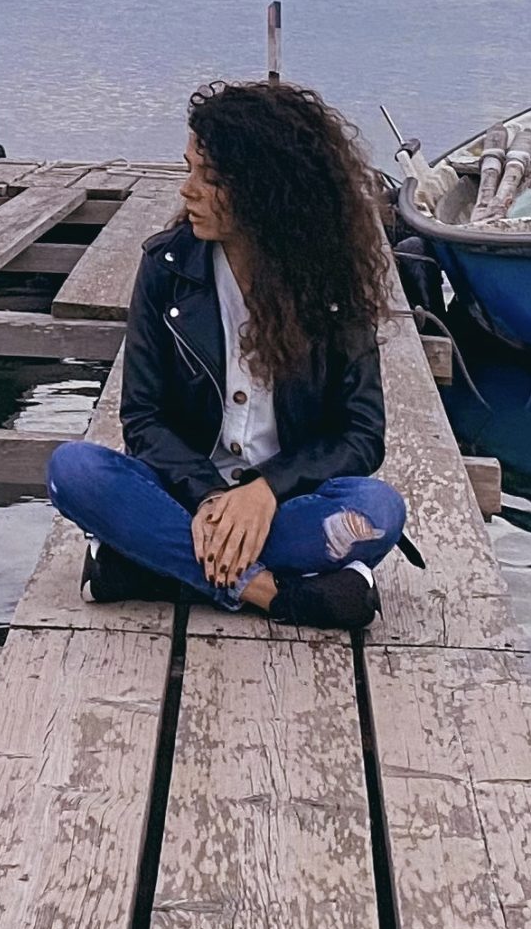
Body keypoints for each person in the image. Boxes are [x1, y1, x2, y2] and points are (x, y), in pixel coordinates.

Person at [46, 79, 409, 629]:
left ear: (267, 190)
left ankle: (143, 566)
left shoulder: (334, 284)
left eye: (209, 178)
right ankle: (275, 593)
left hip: (287, 503)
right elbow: (143, 419)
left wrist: (266, 491)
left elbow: (361, 435)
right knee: (73, 470)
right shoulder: (166, 270)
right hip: (187, 496)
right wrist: (211, 497)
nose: (187, 190)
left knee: (379, 512)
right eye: (189, 168)